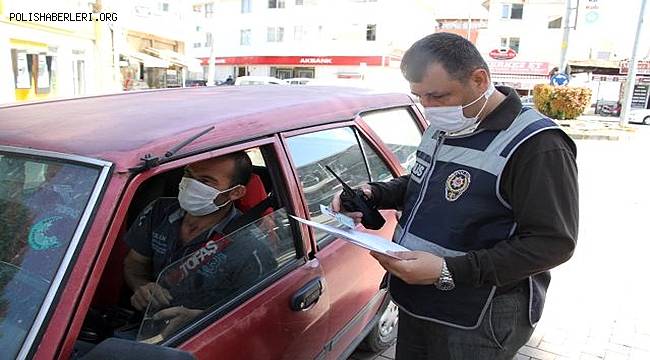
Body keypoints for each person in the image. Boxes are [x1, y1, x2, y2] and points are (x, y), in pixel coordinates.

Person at [332, 33, 578, 359]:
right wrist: (374, 193)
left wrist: (448, 271)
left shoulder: (537, 145)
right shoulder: (443, 124)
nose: (429, 108)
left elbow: (553, 243)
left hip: (477, 316)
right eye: (420, 97)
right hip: (418, 297)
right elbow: (426, 183)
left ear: (479, 79)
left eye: (437, 96)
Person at [123, 151, 276, 338]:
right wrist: (141, 286)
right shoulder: (159, 211)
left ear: (235, 192)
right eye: (188, 174)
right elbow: (135, 263)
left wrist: (200, 319)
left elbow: (260, 315)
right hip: (145, 327)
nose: (189, 184)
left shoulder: (250, 246)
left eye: (205, 181)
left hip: (203, 338)